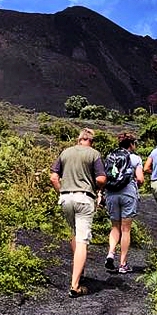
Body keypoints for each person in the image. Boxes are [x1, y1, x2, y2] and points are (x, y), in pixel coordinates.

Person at [50, 128, 106, 298]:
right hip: (84, 198)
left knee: (75, 234)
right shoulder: (93, 154)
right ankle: (75, 285)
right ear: (91, 140)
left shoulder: (66, 152)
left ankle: (78, 271)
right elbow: (101, 179)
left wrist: (62, 191)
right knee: (82, 240)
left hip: (66, 199)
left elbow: (53, 177)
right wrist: (97, 189)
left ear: (79, 139)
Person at [104, 132, 143, 275]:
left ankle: (110, 253)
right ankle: (122, 264)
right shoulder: (135, 158)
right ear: (131, 144)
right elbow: (140, 179)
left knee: (115, 227)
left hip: (111, 194)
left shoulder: (111, 156)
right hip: (127, 194)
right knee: (126, 230)